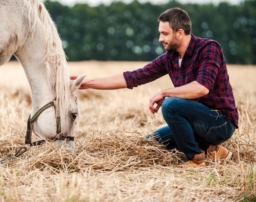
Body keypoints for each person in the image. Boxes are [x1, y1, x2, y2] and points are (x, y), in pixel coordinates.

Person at [71, 7, 239, 167]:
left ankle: (196, 159)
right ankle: (212, 149)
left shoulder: (209, 48)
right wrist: (88, 83)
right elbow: (133, 77)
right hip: (195, 123)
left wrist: (164, 92)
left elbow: (201, 87)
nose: (160, 38)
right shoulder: (170, 58)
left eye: (164, 34)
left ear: (180, 33)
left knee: (171, 105)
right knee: (152, 141)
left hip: (220, 123)